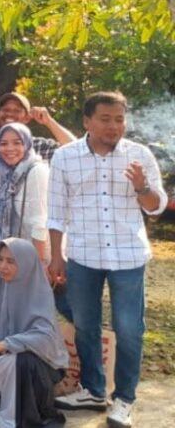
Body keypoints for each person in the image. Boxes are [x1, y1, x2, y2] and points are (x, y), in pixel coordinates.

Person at [48, 92, 166, 427]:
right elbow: (56, 212)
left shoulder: (139, 155)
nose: (113, 126)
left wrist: (142, 187)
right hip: (83, 255)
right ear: (86, 121)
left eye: (119, 119)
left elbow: (156, 207)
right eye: (105, 119)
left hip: (128, 255)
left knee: (129, 329)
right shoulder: (65, 157)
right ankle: (94, 389)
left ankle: (124, 399)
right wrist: (56, 256)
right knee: (85, 325)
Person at [0, 238, 68, 428]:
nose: (3, 266)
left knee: (22, 361)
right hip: (5, 360)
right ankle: (10, 401)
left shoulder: (39, 289)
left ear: (25, 262)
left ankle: (14, 418)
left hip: (42, 366)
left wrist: (2, 345)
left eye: (11, 261)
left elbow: (45, 338)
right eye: (0, 260)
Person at [0, 123, 49, 265]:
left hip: (30, 254)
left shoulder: (36, 171)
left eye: (17, 143)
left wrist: (38, 265)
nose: (9, 149)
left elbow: (40, 222)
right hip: (5, 256)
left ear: (27, 144)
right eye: (3, 143)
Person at [0, 92, 75, 161]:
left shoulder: (39, 146)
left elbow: (75, 149)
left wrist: (49, 121)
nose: (10, 114)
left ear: (27, 118)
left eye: (17, 111)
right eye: (6, 110)